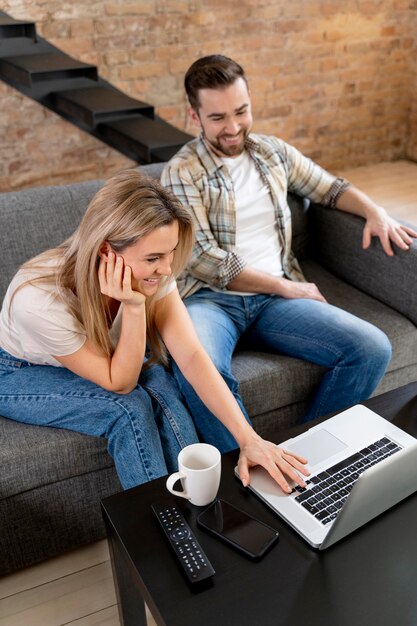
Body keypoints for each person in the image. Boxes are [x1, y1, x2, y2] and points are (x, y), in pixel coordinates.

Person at [161, 54, 417, 453]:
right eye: (217, 118)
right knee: (200, 370)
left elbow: (329, 188)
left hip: (272, 303)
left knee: (370, 348)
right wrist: (286, 287)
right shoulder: (182, 172)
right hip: (210, 301)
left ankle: (303, 456)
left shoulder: (272, 152)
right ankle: (246, 470)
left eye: (241, 111)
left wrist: (374, 210)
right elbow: (204, 259)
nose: (233, 127)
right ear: (194, 117)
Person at [0, 169, 309, 493]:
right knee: (127, 408)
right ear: (107, 252)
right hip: (19, 372)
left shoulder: (155, 272)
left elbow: (190, 356)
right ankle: (165, 526)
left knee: (164, 383)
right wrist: (134, 307)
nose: (166, 269)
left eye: (170, 253)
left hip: (101, 356)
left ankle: (200, 501)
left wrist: (250, 439)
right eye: (153, 258)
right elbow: (120, 384)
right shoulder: (39, 300)